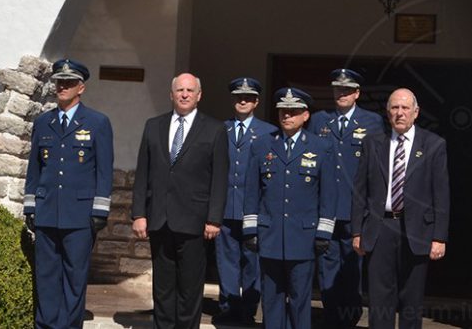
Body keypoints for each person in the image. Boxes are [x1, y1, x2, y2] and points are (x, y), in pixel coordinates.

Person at [131, 73, 229, 329]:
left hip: (194, 222)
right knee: (162, 288)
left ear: (199, 95)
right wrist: (139, 213)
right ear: (171, 94)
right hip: (160, 219)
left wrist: (214, 218)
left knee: (189, 289)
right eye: (179, 90)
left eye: (189, 90)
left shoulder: (215, 129)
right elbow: (143, 172)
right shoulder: (154, 126)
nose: (184, 94)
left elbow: (219, 178)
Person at [23, 58, 114, 329]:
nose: (62, 87)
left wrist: (100, 210)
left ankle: (68, 325)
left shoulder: (97, 122)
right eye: (59, 82)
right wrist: (30, 206)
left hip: (80, 215)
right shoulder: (43, 122)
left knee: (74, 277)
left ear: (81, 88)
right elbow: (34, 168)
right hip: (48, 211)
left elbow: (104, 170)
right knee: (47, 275)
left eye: (69, 83)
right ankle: (46, 324)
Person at [351, 88, 449, 329]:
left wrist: (439, 237)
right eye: (395, 108)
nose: (400, 113)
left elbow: (442, 194)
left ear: (416, 112)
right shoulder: (373, 144)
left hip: (416, 231)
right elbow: (360, 191)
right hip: (380, 228)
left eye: (405, 108)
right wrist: (356, 232)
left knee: (411, 300)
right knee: (379, 300)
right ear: (387, 113)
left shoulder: (434, 145)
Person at [243, 88, 337, 329]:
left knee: (300, 299)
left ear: (306, 116)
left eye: (293, 112)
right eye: (283, 111)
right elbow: (252, 191)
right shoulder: (262, 145)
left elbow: (328, 196)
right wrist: (251, 230)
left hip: (303, 238)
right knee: (271, 300)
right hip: (270, 236)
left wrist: (324, 232)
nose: (287, 116)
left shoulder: (321, 147)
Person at [308, 68, 386, 328]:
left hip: (356, 209)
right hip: (327, 208)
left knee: (353, 267)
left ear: (357, 93)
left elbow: (375, 168)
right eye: (337, 90)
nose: (341, 94)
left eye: (347, 90)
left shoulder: (372, 121)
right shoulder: (320, 120)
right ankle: (331, 315)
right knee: (326, 265)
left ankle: (349, 317)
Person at [214, 77, 277, 325]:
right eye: (239, 97)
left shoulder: (268, 131)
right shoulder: (221, 129)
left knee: (253, 261)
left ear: (256, 102)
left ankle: (249, 308)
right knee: (226, 260)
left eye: (248, 97)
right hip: (226, 206)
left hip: (254, 209)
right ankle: (228, 306)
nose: (243, 101)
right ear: (233, 100)